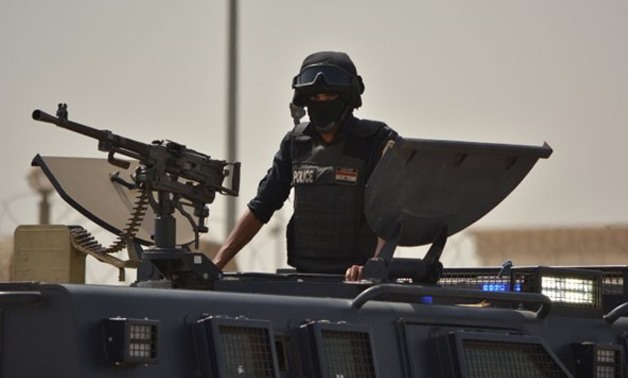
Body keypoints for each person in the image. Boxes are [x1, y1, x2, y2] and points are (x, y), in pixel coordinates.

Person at [212, 51, 399, 281]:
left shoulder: (375, 141)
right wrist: (218, 262)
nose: (321, 102)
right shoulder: (296, 143)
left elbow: (389, 211)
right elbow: (261, 207)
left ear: (347, 98)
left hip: (356, 282)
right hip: (305, 279)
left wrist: (374, 267)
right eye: (315, 97)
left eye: (329, 95)